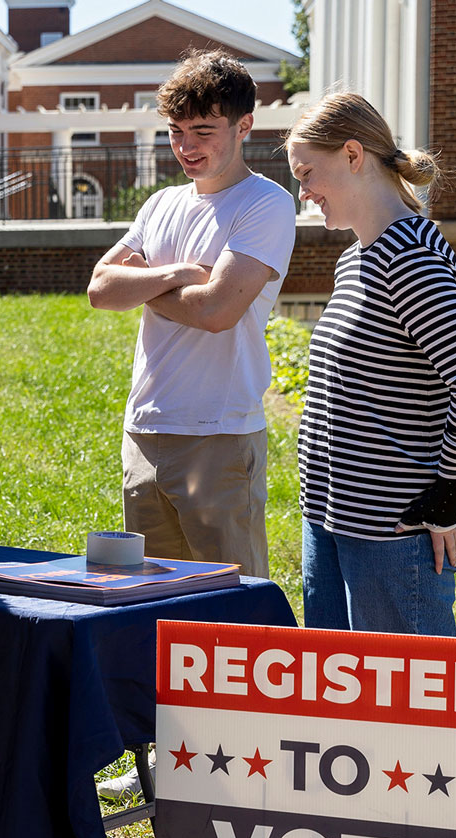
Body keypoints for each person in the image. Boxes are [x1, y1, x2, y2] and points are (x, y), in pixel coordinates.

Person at [286, 91, 456, 635]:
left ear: (354, 155)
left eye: (308, 172)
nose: (303, 190)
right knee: (341, 710)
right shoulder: (358, 257)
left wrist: (448, 494)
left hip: (390, 533)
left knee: (401, 716)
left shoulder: (406, 255)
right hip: (334, 521)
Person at [86, 49, 297, 579]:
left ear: (244, 125)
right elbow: (99, 288)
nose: (186, 147)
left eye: (204, 130)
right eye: (177, 131)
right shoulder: (160, 205)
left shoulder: (265, 204)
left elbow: (217, 310)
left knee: (230, 609)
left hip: (219, 437)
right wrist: (177, 274)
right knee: (149, 607)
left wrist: (143, 287)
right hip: (145, 431)